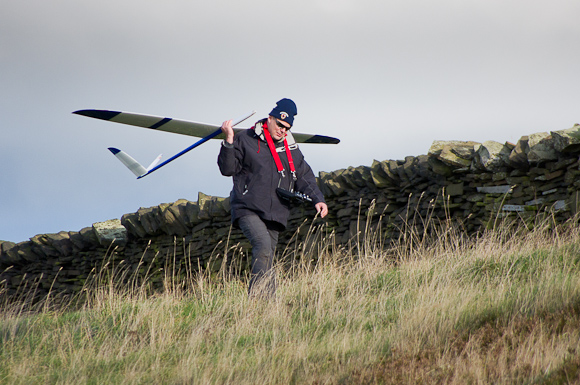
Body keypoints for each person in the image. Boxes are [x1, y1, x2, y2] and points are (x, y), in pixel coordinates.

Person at [217, 98, 328, 299]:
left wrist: (318, 199)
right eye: (279, 124)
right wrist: (229, 140)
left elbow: (304, 176)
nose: (282, 130)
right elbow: (227, 169)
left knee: (268, 256)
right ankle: (257, 300)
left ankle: (269, 306)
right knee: (263, 246)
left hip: (276, 212)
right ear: (270, 118)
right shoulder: (246, 139)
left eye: (287, 128)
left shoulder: (291, 148)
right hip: (247, 207)